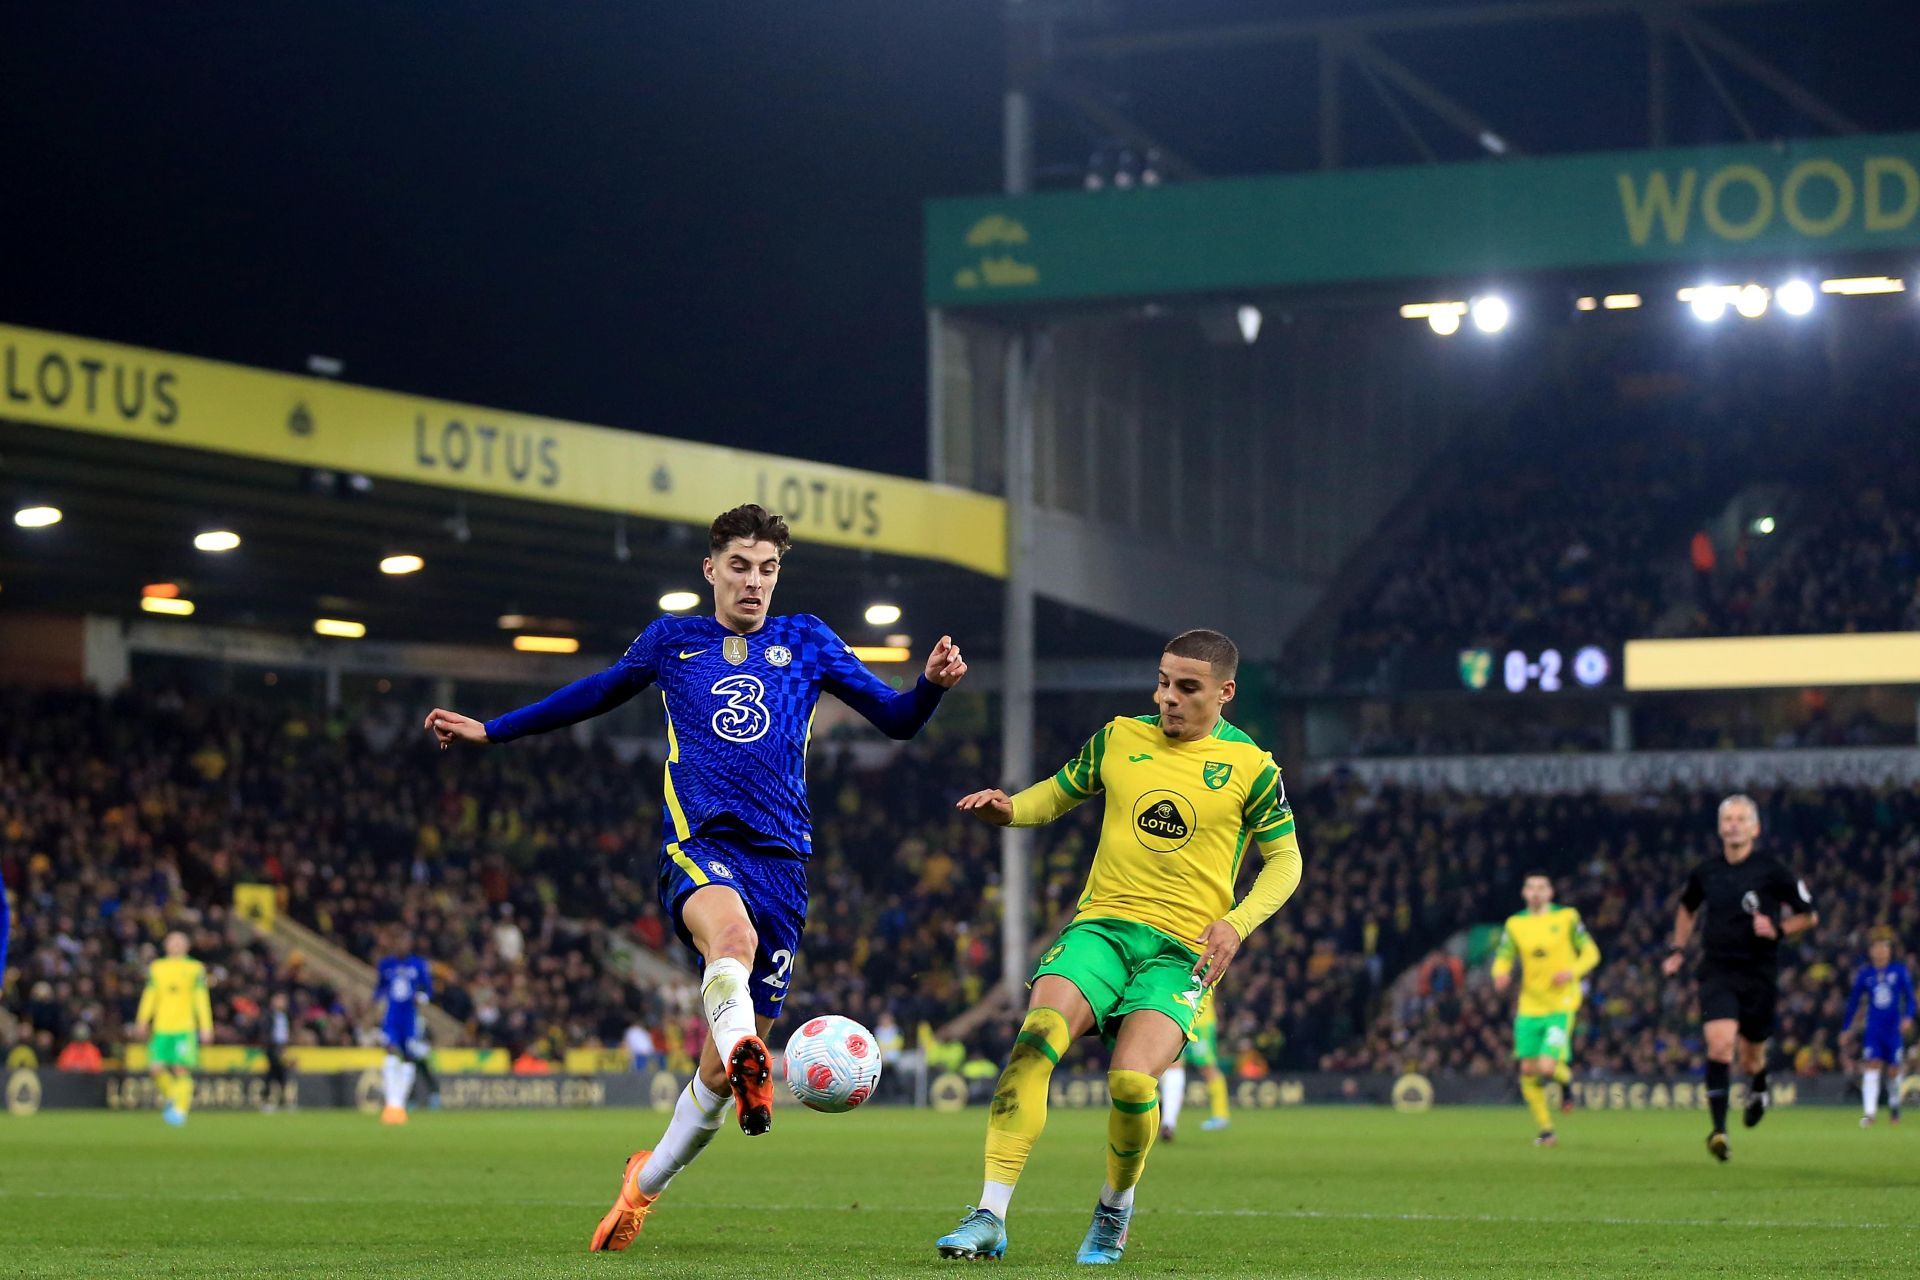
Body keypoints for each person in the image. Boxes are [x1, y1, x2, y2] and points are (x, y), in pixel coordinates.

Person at [424, 503, 966, 1253]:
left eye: (767, 569)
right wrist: (494, 728)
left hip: (784, 865)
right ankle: (752, 1059)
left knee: (711, 1077)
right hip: (699, 844)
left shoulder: (805, 639)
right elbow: (592, 694)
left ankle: (644, 1184)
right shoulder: (673, 640)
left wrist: (931, 686)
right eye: (739, 566)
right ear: (710, 569)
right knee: (730, 938)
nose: (753, 582)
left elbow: (898, 720)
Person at [935, 630, 1302, 1265]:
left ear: (1225, 693)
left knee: (1132, 1083)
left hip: (1181, 952)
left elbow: (1287, 862)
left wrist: (1237, 923)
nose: (1168, 698)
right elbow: (1055, 794)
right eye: (1162, 682)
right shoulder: (1119, 737)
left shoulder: (1253, 767)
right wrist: (1007, 809)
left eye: (1187, 688)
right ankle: (989, 1213)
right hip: (1102, 928)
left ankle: (1114, 1209)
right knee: (1035, 1039)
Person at [1661, 794, 1818, 1162]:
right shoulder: (1706, 872)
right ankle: (1718, 1131)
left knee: (1750, 1060)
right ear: (1719, 827)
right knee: (1719, 1045)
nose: (1733, 824)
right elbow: (1686, 907)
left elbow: (1809, 916)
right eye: (1727, 819)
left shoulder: (1772, 870)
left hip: (1758, 973)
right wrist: (1678, 950)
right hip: (1717, 969)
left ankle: (1759, 1086)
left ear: (1755, 828)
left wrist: (1777, 929)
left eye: (1740, 819)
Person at [1491, 871, 1600, 1147]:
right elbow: (1504, 955)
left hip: (1560, 1004)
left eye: (1542, 887)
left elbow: (1591, 953)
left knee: (1547, 1066)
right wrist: (1499, 974)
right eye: (1531, 887)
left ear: (1551, 893)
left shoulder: (1567, 918)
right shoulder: (1515, 924)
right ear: (1524, 893)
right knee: (1528, 1069)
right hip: (1529, 1005)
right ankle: (1546, 1129)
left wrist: (1572, 972)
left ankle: (1564, 1080)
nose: (1536, 892)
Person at [133, 930, 213, 1127]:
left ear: (187, 946)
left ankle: (180, 1110)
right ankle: (173, 1095)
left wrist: (206, 1026)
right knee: (155, 1069)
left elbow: (201, 999)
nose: (176, 945)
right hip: (162, 1027)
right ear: (166, 945)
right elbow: (150, 995)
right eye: (172, 942)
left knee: (180, 1068)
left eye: (180, 942)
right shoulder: (157, 968)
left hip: (184, 1028)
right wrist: (142, 1020)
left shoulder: (195, 969)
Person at [1841, 928, 1914, 1127]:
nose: (1881, 950)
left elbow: (1910, 999)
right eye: (1877, 947)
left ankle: (1894, 1106)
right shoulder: (1865, 974)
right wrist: (1846, 1028)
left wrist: (1907, 1018)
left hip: (1893, 1029)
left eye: (1884, 946)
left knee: (1893, 1070)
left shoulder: (1899, 971)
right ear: (1871, 950)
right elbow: (1853, 1002)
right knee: (1872, 1065)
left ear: (1889, 950)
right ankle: (1869, 1113)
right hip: (1874, 1028)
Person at [374, 931, 433, 1125]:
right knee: (390, 1052)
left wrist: (421, 998)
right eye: (399, 941)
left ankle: (399, 1104)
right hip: (391, 1017)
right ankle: (392, 1104)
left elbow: (428, 989)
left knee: (409, 1057)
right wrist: (373, 1006)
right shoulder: (386, 964)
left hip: (410, 1018)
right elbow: (380, 988)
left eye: (405, 941)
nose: (402, 945)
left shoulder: (418, 964)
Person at [1158, 993, 1230, 1138]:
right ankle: (1167, 1121)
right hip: (1179, 1016)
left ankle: (1221, 1115)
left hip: (1199, 1020)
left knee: (1207, 1068)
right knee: (1172, 1064)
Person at [261, 990, 294, 1112]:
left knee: (279, 1075)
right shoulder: (268, 1015)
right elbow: (265, 1033)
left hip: (282, 1047)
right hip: (272, 1048)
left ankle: (281, 1102)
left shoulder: (286, 1016)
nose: (283, 1003)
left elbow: (286, 1033)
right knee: (274, 1074)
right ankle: (269, 1101)